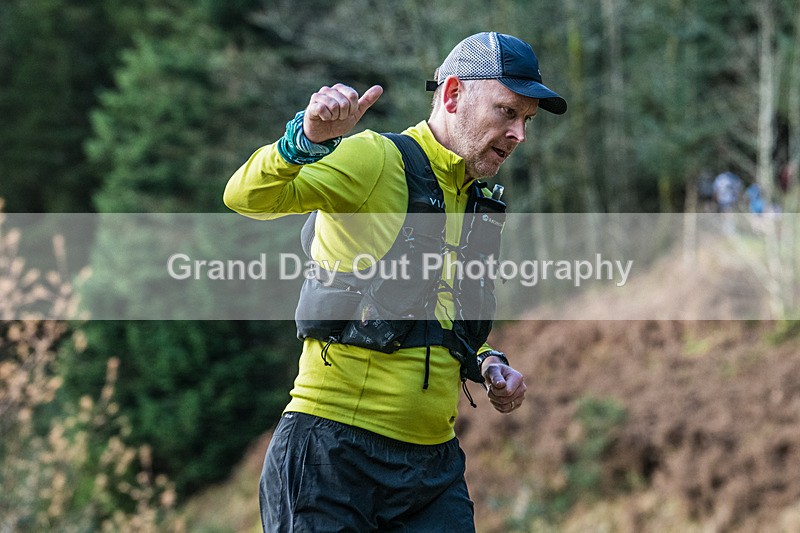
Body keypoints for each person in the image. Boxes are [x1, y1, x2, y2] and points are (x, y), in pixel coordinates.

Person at [224, 31, 566, 532]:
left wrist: (488, 360)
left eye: (527, 120)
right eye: (507, 112)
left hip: (433, 472)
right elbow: (245, 196)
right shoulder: (375, 159)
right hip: (333, 454)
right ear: (452, 95)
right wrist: (306, 139)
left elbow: (438, 313)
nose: (519, 134)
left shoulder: (475, 200)